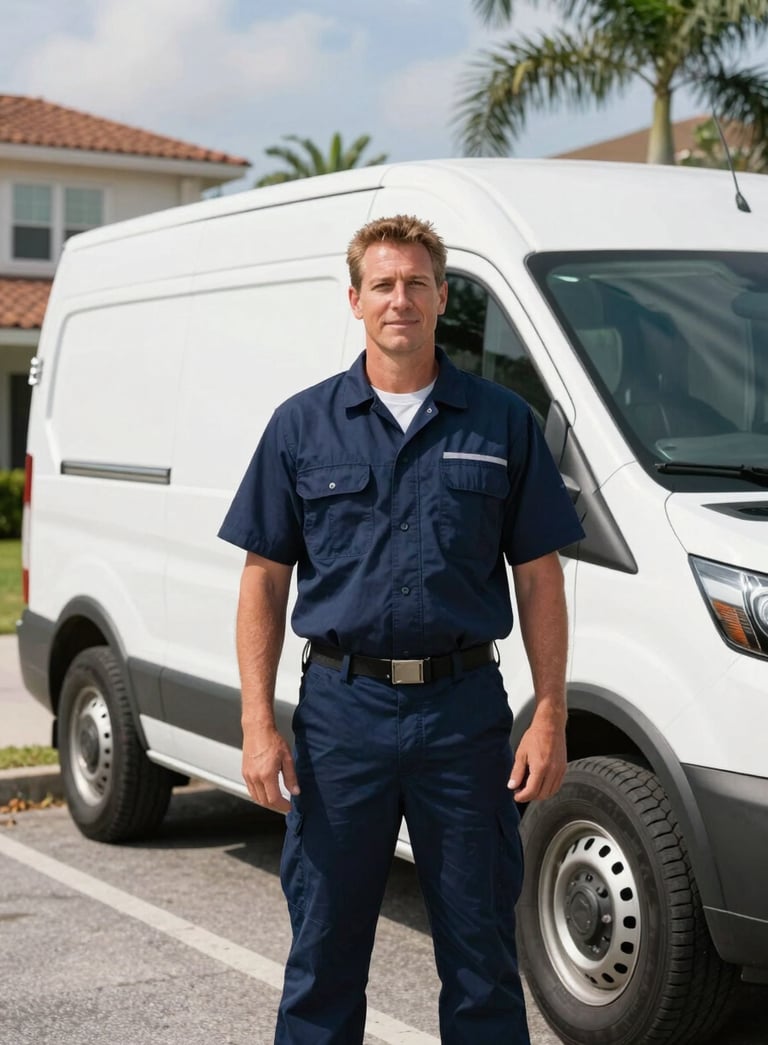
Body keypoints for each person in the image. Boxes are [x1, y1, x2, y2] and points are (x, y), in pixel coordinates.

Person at [218, 214, 585, 1045]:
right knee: (324, 954)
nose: (400, 299)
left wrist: (552, 713)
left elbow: (539, 577)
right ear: (354, 300)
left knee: (483, 955)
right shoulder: (302, 426)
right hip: (342, 717)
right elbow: (263, 579)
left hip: (463, 716)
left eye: (417, 283)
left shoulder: (501, 423)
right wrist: (256, 721)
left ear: (442, 298)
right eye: (382, 284)